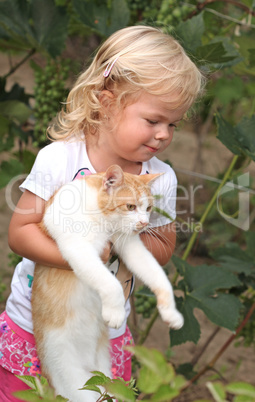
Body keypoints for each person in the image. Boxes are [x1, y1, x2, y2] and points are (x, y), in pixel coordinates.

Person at [0, 25, 205, 401]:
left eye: (172, 124)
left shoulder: (160, 178)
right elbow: (21, 232)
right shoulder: (60, 158)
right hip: (35, 324)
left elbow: (164, 241)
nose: (163, 135)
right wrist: (81, 254)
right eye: (153, 120)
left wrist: (125, 237)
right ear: (107, 101)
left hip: (101, 329)